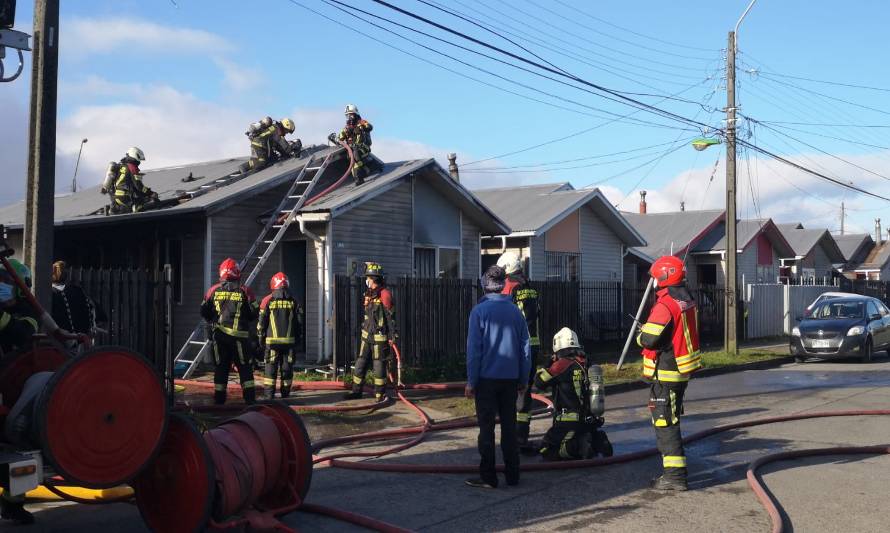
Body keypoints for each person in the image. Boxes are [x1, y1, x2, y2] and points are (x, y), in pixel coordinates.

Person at [637, 255, 702, 491]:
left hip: (665, 373)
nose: (653, 282)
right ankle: (675, 475)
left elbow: (649, 339)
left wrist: (640, 334)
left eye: (655, 277)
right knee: (670, 420)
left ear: (664, 276)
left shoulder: (665, 304)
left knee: (665, 423)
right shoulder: (685, 299)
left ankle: (675, 477)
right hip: (680, 370)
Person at [464, 265, 531, 489]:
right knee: (509, 428)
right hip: (511, 380)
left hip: (486, 380)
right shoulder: (515, 313)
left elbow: (474, 351)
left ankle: (488, 477)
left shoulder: (479, 312)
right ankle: (513, 475)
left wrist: (471, 382)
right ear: (503, 285)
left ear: (485, 285)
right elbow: (525, 350)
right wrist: (523, 379)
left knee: (487, 429)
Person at [534, 327, 612, 460]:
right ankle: (598, 441)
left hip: (568, 422)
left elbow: (539, 382)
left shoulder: (561, 365)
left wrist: (549, 363)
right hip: (590, 420)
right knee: (584, 434)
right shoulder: (586, 362)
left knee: (546, 450)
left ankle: (576, 447)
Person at [0, 259, 39, 524]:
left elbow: (22, 333)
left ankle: (13, 505)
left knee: (23, 451)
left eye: (6, 285)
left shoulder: (29, 311)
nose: (3, 289)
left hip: (16, 387)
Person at [497, 252, 541, 448]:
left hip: (513, 348)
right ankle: (522, 436)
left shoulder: (508, 288)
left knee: (507, 391)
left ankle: (509, 437)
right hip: (533, 348)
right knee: (525, 392)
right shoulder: (530, 288)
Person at [200, 258, 259, 405]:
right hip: (240, 338)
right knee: (244, 367)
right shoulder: (245, 291)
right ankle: (250, 400)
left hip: (219, 336)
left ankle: (219, 400)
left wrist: (213, 320)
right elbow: (254, 313)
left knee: (221, 367)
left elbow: (204, 310)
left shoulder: (212, 290)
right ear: (237, 272)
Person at [344, 262, 398, 402]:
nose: (366, 280)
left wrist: (392, 335)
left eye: (368, 278)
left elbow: (391, 317)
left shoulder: (385, 294)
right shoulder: (368, 293)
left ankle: (379, 395)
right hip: (366, 335)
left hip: (379, 337)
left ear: (373, 278)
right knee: (360, 363)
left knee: (378, 365)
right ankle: (356, 391)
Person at [257, 272, 303, 400]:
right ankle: (285, 394)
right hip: (289, 343)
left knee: (270, 369)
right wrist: (298, 339)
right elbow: (299, 323)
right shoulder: (294, 301)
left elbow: (261, 324)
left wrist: (261, 340)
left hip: (271, 343)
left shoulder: (267, 300)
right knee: (287, 368)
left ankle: (268, 396)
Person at [50, 261, 104, 348]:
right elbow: (94, 309)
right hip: (79, 340)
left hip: (58, 342)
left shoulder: (50, 293)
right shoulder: (77, 290)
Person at [330, 104, 380, 185]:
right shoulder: (347, 128)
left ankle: (364, 172)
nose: (349, 117)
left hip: (363, 147)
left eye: (350, 115)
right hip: (352, 149)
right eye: (347, 115)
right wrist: (334, 138)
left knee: (355, 154)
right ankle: (360, 176)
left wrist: (364, 127)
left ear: (355, 114)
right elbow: (340, 138)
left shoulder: (362, 123)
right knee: (352, 158)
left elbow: (370, 127)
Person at [110, 147, 157, 214]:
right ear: (135, 155)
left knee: (124, 210)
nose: (139, 162)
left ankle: (115, 208)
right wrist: (150, 193)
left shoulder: (121, 165)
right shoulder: (132, 167)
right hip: (126, 197)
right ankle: (136, 206)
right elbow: (139, 186)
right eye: (139, 159)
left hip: (117, 197)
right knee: (146, 201)